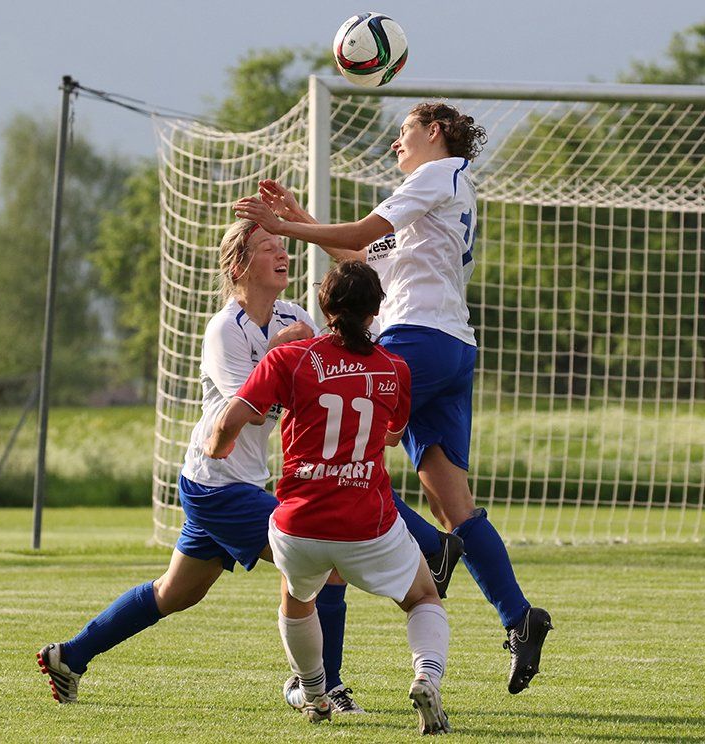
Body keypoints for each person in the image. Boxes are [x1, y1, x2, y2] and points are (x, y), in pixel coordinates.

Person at [36, 218, 458, 712]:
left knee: (174, 593)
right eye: (267, 247)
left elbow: (332, 365)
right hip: (217, 483)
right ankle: (326, 689)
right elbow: (253, 405)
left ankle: (70, 656)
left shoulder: (292, 314)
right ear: (239, 266)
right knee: (324, 562)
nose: (282, 253)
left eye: (282, 245)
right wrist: (285, 352)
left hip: (242, 481)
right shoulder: (225, 330)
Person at [234, 102, 553, 695]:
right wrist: (302, 218)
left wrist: (282, 227)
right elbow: (362, 261)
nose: (394, 143)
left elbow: (361, 234)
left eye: (403, 131)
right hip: (450, 347)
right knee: (454, 505)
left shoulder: (436, 174)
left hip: (414, 342)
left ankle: (326, 676)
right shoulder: (439, 193)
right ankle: (519, 616)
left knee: (338, 466)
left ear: (435, 132)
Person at [207, 261, 452, 735]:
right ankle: (426, 678)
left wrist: (219, 447)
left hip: (299, 523)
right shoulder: (395, 368)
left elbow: (230, 419)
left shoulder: (289, 358)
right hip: (367, 523)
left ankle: (315, 694)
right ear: (376, 311)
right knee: (424, 596)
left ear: (324, 307)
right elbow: (392, 435)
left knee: (297, 597)